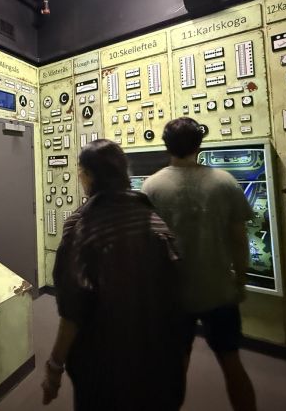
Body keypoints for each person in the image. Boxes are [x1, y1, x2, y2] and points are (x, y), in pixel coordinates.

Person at [42, 139, 187, 410]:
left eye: (80, 172)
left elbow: (73, 309)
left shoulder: (81, 227)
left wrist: (55, 365)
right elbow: (175, 292)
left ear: (88, 175)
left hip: (103, 367)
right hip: (158, 356)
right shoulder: (155, 220)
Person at [142, 117, 257, 411]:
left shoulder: (151, 187)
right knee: (232, 363)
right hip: (219, 291)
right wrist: (240, 280)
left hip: (173, 295)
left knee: (175, 368)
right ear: (199, 144)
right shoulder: (225, 182)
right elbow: (239, 240)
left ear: (166, 145)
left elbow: (148, 245)